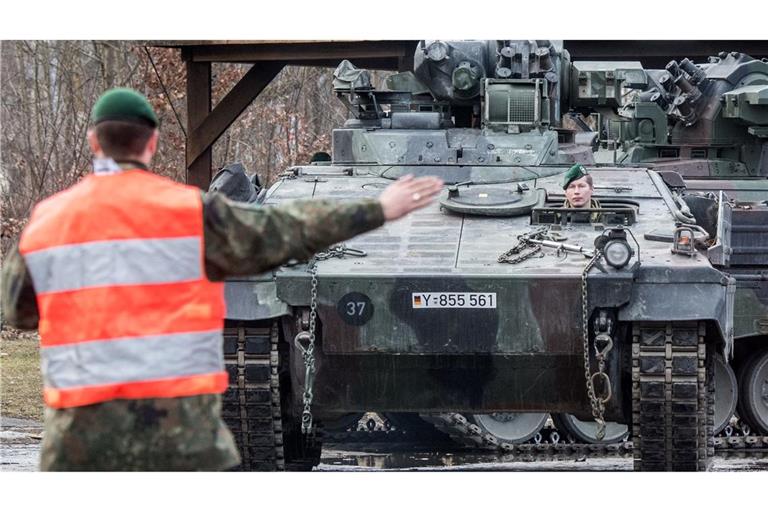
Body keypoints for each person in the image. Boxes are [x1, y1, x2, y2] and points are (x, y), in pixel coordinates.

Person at [0, 88, 443, 471]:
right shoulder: (190, 213)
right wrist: (376, 209)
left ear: (94, 141)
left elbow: (17, 311)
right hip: (179, 435)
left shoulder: (46, 223)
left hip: (79, 438)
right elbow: (286, 228)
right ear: (151, 143)